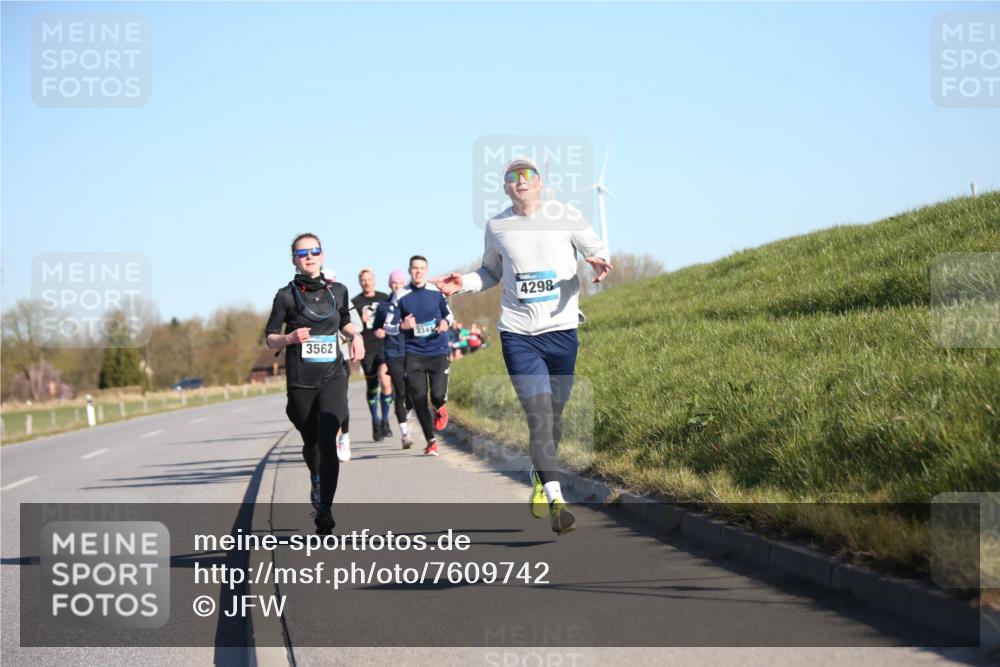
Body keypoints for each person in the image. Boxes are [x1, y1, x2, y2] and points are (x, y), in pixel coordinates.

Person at [436, 156, 612, 535]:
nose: (521, 180)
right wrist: (462, 283)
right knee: (540, 415)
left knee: (555, 418)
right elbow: (490, 272)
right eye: (512, 176)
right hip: (519, 335)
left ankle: (539, 472)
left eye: (527, 174)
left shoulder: (565, 215)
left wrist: (599, 263)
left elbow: (595, 247)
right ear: (505, 188)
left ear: (540, 182)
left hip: (562, 331)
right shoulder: (497, 225)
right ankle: (555, 498)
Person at [265, 233, 364, 534]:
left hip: (333, 374)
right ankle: (316, 478)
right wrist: (289, 338)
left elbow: (344, 320)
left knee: (327, 439)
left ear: (322, 255)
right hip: (300, 380)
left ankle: (325, 510)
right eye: (302, 252)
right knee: (311, 444)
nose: (309, 256)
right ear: (294, 259)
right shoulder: (285, 296)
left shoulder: (339, 291)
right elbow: (270, 338)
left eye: (314, 251)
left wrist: (355, 335)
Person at [396, 255, 453, 456]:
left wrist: (446, 323)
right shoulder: (401, 295)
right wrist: (402, 325)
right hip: (414, 355)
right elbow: (387, 325)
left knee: (436, 395)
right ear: (410, 270)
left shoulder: (436, 292)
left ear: (426, 270)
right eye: (414, 268)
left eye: (421, 268)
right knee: (419, 398)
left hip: (437, 352)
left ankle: (440, 406)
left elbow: (449, 315)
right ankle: (431, 441)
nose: (418, 271)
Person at [373, 269, 415, 449]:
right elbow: (376, 328)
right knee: (400, 391)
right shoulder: (383, 306)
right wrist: (380, 331)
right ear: (390, 285)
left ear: (404, 284)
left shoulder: (412, 301)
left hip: (413, 351)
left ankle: (408, 414)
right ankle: (405, 433)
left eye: (399, 282)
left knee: (413, 392)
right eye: (394, 283)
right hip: (392, 352)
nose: (397, 285)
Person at [351, 269, 394, 442]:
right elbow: (351, 327)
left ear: (374, 281)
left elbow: (394, 317)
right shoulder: (355, 302)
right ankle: (375, 422)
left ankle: (385, 420)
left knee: (385, 381)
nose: (367, 282)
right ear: (360, 282)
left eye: (369, 279)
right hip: (366, 349)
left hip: (384, 347)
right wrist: (360, 320)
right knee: (372, 386)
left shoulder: (384, 297)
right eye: (363, 280)